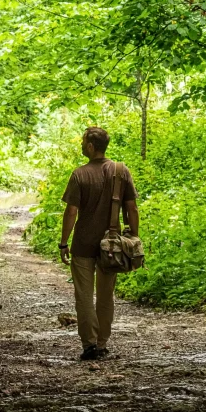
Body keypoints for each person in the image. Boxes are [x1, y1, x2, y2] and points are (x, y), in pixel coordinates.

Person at [59, 126, 139, 361]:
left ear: (91, 147)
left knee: (84, 295)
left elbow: (71, 211)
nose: (82, 146)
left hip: (83, 245)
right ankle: (102, 342)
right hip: (111, 246)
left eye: (84, 142)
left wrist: (64, 243)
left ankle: (90, 345)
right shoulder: (121, 171)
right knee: (106, 295)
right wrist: (133, 237)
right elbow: (132, 208)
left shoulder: (79, 174)